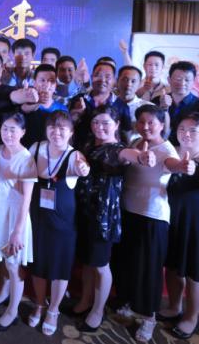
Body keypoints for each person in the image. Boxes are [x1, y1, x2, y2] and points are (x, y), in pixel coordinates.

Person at [73, 106, 155, 333]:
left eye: (106, 123)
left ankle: (98, 310)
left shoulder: (118, 149)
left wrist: (142, 157)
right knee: (88, 261)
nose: (100, 127)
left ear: (117, 125)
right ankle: (85, 300)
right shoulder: (89, 145)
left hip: (104, 216)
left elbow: (130, 155)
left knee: (101, 265)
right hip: (84, 210)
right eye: (96, 122)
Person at [114, 104, 191, 342]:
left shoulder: (166, 149)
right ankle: (128, 301)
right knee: (129, 262)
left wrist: (182, 166)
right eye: (141, 122)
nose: (145, 126)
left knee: (149, 269)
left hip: (152, 216)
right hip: (128, 211)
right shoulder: (136, 142)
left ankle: (149, 317)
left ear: (161, 124)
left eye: (151, 122)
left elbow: (172, 163)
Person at [159, 113, 199, 340]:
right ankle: (174, 306)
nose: (186, 134)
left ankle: (191, 317)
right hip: (168, 218)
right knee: (172, 267)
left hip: (194, 223)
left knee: (194, 274)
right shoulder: (169, 152)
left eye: (193, 130)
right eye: (182, 129)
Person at [27, 110, 89, 336]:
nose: (57, 132)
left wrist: (83, 169)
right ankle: (39, 304)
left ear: (71, 132)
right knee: (38, 265)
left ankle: (53, 310)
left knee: (59, 268)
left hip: (63, 225)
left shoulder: (74, 155)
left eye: (62, 128)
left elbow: (83, 168)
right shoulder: (36, 148)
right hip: (37, 219)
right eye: (52, 127)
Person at [0, 111, 36, 331]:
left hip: (16, 216)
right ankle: (3, 293)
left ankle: (13, 310)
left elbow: (27, 199)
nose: (8, 134)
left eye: (13, 129)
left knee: (13, 265)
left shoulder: (26, 158)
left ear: (23, 132)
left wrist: (18, 231)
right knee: (3, 259)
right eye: (5, 129)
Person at [153, 61, 199, 147]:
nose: (182, 83)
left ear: (193, 81)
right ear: (169, 80)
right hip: (159, 149)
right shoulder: (157, 101)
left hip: (190, 152)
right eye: (178, 79)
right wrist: (162, 108)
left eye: (187, 80)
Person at [69, 61, 132, 148]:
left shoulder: (121, 106)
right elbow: (67, 127)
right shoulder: (78, 100)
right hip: (80, 151)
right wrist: (75, 114)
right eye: (98, 75)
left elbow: (126, 134)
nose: (102, 80)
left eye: (107, 76)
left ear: (114, 80)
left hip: (111, 152)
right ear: (91, 77)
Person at [21, 64, 68, 146]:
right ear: (34, 83)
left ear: (56, 85)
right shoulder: (26, 103)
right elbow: (24, 109)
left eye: (51, 81)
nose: (47, 84)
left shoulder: (62, 108)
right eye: (42, 80)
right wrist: (38, 102)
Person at [116, 65, 152, 142]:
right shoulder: (109, 104)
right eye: (125, 80)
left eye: (133, 81)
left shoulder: (148, 107)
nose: (129, 84)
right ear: (117, 81)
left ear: (139, 84)